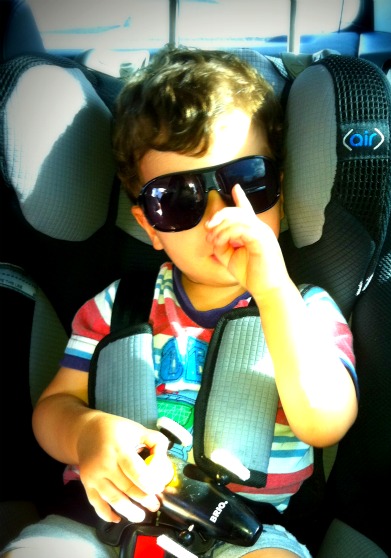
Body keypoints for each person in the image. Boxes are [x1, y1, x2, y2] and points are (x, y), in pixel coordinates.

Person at [1, 46, 358, 558]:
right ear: (149, 226)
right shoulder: (116, 308)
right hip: (108, 523)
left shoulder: (306, 309)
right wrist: (85, 433)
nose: (217, 216)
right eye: (177, 199)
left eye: (247, 182)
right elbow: (53, 407)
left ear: (278, 189)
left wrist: (274, 292)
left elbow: (325, 422)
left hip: (243, 532)